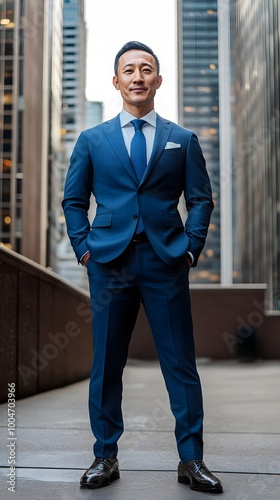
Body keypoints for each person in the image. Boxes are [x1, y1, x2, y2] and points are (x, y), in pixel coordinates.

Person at [62, 41, 223, 493]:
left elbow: (200, 200)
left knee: (181, 364)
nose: (138, 76)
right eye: (129, 70)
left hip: (165, 261)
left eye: (146, 69)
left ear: (158, 79)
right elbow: (74, 201)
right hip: (108, 263)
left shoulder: (182, 139)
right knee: (107, 364)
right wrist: (84, 249)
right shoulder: (92, 140)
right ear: (116, 81)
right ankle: (104, 457)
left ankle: (192, 460)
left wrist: (190, 249)